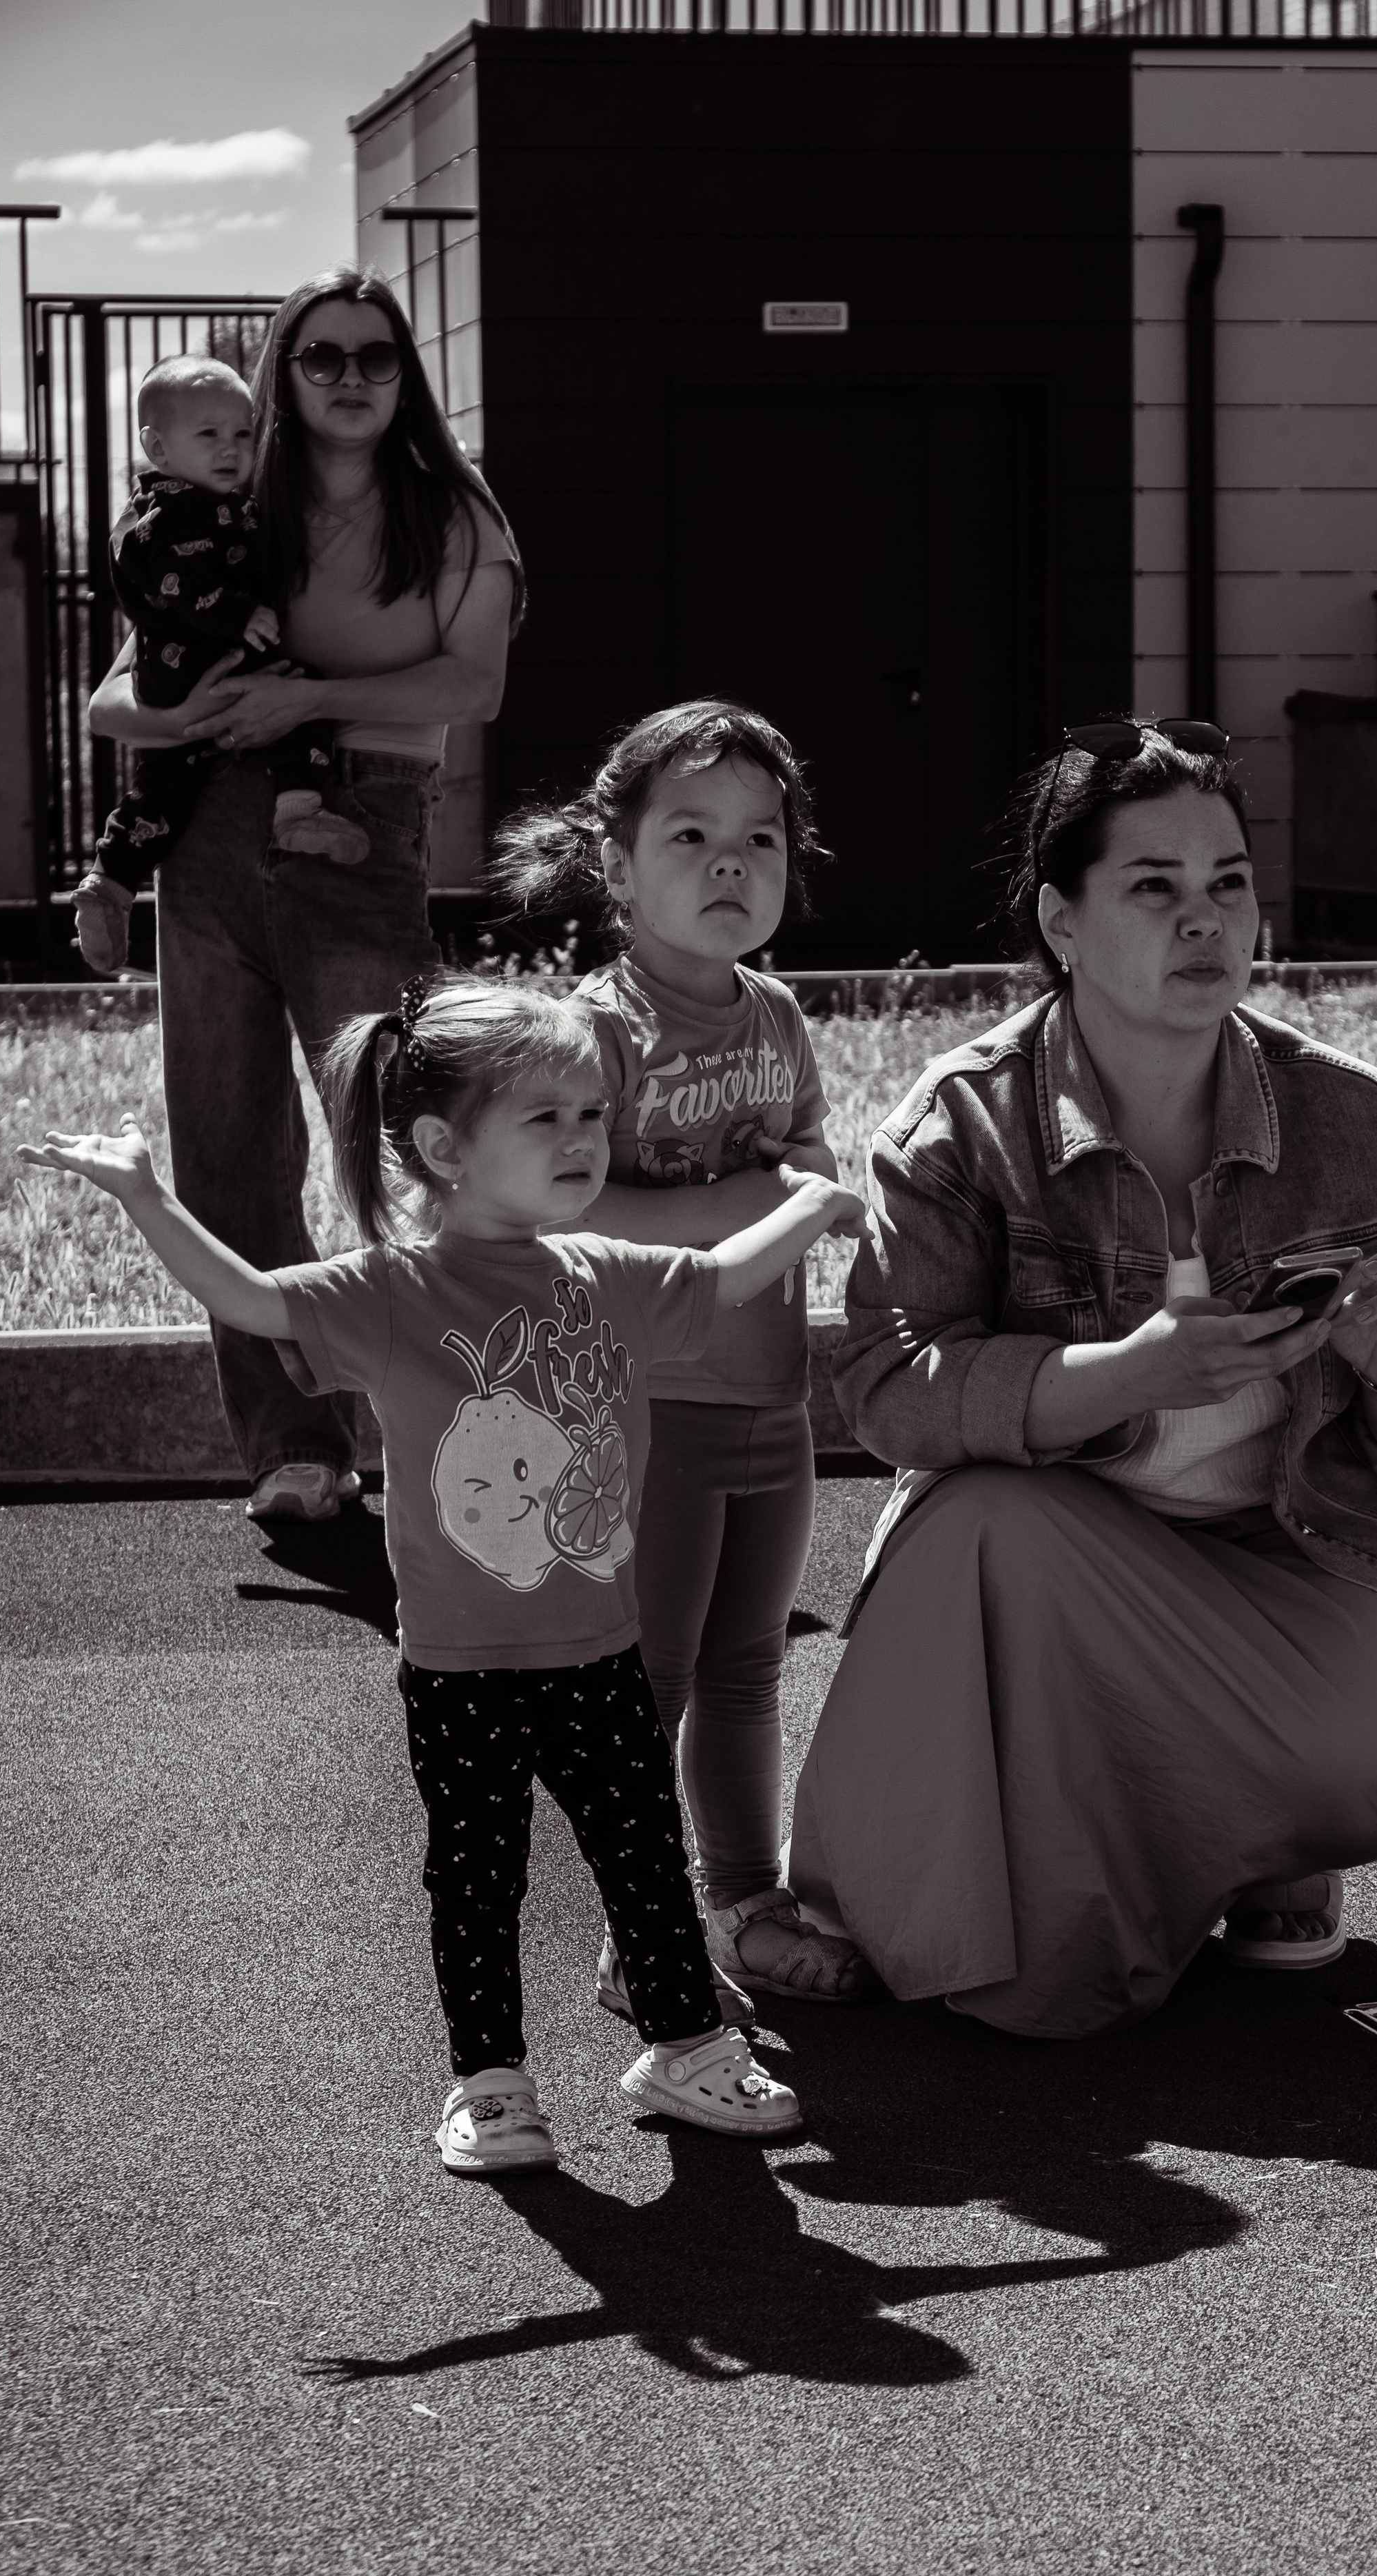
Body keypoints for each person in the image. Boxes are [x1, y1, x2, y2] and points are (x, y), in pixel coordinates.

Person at [17, 974, 870, 2171]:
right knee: (477, 1881)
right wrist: (145, 1194)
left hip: (600, 1653)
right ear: (441, 1148)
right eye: (547, 1117)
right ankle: (491, 2085)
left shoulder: (604, 1271)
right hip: (462, 1672)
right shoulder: (390, 1291)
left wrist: (814, 1203)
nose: (584, 1140)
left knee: (643, 1864)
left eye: (593, 1113)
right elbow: (247, 1299)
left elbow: (724, 1274)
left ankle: (684, 2047)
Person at [787, 717, 1377, 2040]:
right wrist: (1122, 1375)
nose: (1205, 920)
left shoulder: (1374, 1124)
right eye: (1154, 886)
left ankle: (1251, 1842)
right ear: (1061, 922)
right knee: (981, 1531)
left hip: (1310, 1563)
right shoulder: (961, 1124)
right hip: (1061, 1585)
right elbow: (889, 1389)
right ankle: (944, 1886)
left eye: (1228, 882)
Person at [86, 264, 521, 1528]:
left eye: (374, 355)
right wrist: (215, 711)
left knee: (402, 1143)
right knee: (229, 1152)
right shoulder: (232, 506)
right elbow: (115, 700)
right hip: (210, 834)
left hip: (360, 827)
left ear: (405, 373)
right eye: (319, 355)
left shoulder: (449, 506)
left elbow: (475, 686)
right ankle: (296, 1452)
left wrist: (306, 699)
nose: (347, 377)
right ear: (284, 372)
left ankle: (456, 1432)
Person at [496, 700, 879, 2006]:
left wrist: (795, 1191)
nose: (730, 865)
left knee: (748, 1668)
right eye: (692, 837)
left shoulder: (777, 1016)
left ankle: (746, 1900)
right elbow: (564, 1207)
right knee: (648, 1681)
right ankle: (643, 1932)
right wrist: (752, 1200)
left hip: (771, 1400)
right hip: (642, 1408)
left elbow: (813, 1166)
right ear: (616, 866)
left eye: (760, 839)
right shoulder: (592, 1032)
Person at [72, 356, 367, 977]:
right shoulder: (174, 511)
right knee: (304, 693)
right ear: (157, 447)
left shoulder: (205, 503)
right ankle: (299, 809)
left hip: (177, 672)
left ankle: (111, 882)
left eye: (242, 433)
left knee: (166, 787)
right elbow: (180, 580)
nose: (231, 448)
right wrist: (237, 614)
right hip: (204, 653)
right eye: (209, 434)